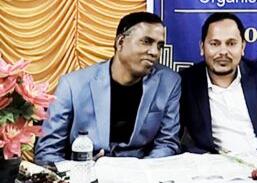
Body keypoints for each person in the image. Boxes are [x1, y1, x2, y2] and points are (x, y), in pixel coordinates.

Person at [36, 12, 181, 165]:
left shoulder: (169, 82)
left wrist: (141, 169)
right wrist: (81, 169)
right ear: (120, 42)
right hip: (85, 172)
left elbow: (167, 143)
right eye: (146, 42)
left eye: (159, 46)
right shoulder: (73, 85)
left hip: (140, 172)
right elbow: (47, 152)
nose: (154, 52)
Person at [179, 12, 257, 156]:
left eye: (231, 43)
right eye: (214, 44)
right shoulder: (186, 82)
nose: (223, 52)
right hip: (215, 164)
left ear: (242, 47)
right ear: (202, 47)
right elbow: (172, 138)